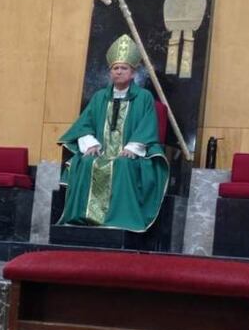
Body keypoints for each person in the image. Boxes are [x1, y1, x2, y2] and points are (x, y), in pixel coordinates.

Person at [57, 34, 169, 232]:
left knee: (123, 164)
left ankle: (119, 220)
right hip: (101, 151)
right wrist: (90, 142)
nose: (119, 72)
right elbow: (84, 124)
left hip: (130, 153)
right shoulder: (100, 97)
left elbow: (147, 126)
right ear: (110, 72)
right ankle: (82, 218)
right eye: (115, 68)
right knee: (85, 162)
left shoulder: (143, 98)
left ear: (133, 73)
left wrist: (133, 147)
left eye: (124, 68)